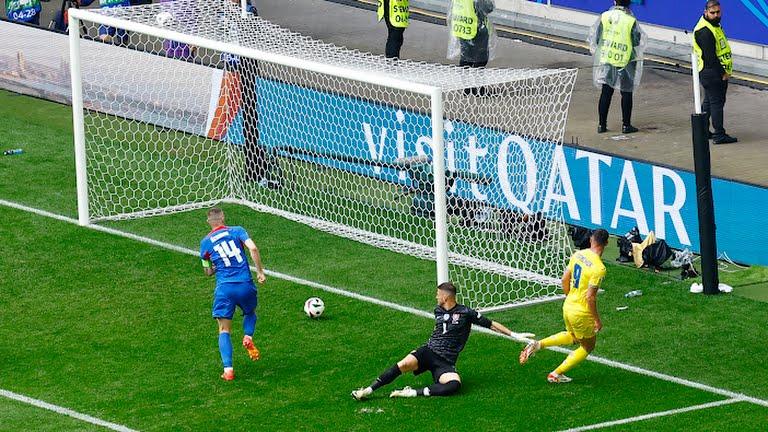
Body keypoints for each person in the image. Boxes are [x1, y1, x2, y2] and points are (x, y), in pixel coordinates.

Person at [351, 282, 516, 399]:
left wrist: (514, 334)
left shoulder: (466, 313)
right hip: (428, 352)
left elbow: (491, 324)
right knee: (403, 364)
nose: (436, 297)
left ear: (445, 297)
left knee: (454, 385)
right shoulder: (438, 310)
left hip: (445, 361)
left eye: (438, 294)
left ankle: (412, 392)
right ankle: (367, 390)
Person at [519, 229, 609, 383]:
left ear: (591, 240)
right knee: (588, 346)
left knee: (573, 336)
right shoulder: (599, 268)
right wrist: (597, 320)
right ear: (606, 243)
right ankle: (556, 374)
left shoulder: (578, 255)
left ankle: (538, 344)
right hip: (581, 312)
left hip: (568, 306)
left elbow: (564, 279)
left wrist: (570, 297)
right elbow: (590, 297)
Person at [199, 207, 266, 381]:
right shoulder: (237, 231)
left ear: (208, 222)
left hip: (225, 289)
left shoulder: (205, 242)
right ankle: (248, 336)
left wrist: (216, 266)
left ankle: (228, 370)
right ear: (223, 217)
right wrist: (260, 272)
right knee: (250, 312)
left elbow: (207, 272)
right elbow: (253, 248)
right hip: (245, 285)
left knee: (224, 330)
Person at [589, 0, 645, 134]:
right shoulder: (630, 20)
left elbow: (597, 39)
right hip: (626, 59)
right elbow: (636, 41)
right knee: (626, 92)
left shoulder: (605, 16)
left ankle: (602, 125)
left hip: (608, 58)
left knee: (606, 91)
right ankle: (626, 125)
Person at [693, 0, 737, 144]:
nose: (716, 15)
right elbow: (710, 57)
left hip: (710, 72)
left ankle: (703, 131)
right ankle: (719, 135)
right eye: (713, 13)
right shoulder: (704, 31)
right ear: (705, 12)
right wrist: (723, 73)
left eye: (718, 12)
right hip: (712, 73)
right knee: (717, 103)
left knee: (709, 102)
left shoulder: (714, 25)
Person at [447, 0, 496, 69]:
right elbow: (488, 7)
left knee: (466, 58)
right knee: (480, 60)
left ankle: (464, 74)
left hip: (463, 27)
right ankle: (475, 74)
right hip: (476, 29)